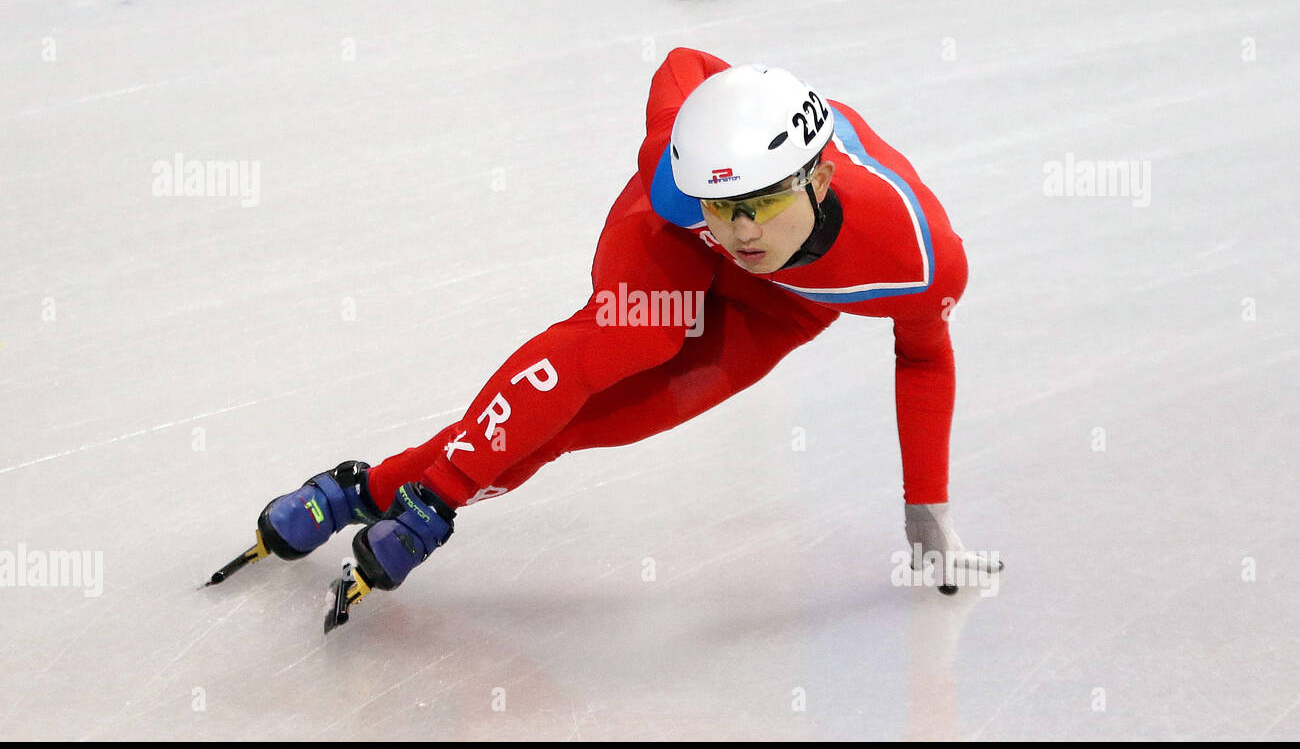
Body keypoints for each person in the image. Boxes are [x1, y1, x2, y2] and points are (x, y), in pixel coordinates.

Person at [247, 47, 998, 611]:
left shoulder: (919, 257)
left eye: (764, 203)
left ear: (821, 180)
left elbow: (924, 357)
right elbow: (688, 62)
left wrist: (924, 507)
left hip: (779, 308)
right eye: (721, 204)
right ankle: (403, 490)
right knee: (633, 339)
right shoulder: (681, 189)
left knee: (579, 425)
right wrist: (440, 497)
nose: (741, 231)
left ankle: (363, 489)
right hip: (668, 246)